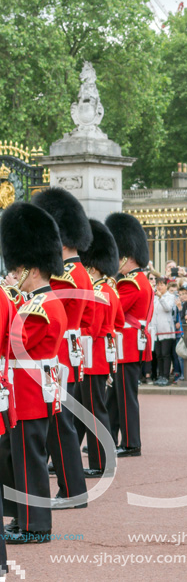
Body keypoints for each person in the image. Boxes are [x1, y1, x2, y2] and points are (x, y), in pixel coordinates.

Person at [0, 202, 67, 543]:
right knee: (20, 457)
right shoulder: (34, 302)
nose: (14, 274)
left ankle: (37, 526)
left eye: (18, 269)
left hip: (28, 390)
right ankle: (23, 518)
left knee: (30, 460)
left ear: (32, 269)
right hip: (25, 389)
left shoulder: (40, 306)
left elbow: (14, 344)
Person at [33, 188, 93, 509]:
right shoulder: (76, 272)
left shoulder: (67, 276)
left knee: (59, 423)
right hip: (65, 351)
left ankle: (72, 490)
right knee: (58, 421)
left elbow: (42, 306)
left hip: (55, 353)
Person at [105, 212, 154, 458]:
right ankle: (109, 437)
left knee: (126, 398)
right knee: (115, 397)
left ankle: (132, 443)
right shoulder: (137, 279)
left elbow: (114, 309)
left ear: (126, 257)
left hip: (127, 345)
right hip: (128, 345)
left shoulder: (130, 283)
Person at [79, 219, 122, 478]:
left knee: (95, 411)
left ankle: (101, 462)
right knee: (93, 409)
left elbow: (91, 330)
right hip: (99, 355)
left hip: (93, 357)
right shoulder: (109, 290)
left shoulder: (97, 293)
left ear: (92, 267)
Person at [151, 277, 177, 386]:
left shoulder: (170, 297)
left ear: (166, 286)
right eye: (158, 285)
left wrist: (161, 297)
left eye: (162, 285)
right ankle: (160, 375)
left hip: (166, 330)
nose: (159, 287)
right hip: (156, 331)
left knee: (166, 354)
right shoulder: (154, 298)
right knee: (158, 355)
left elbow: (167, 308)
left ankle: (166, 376)